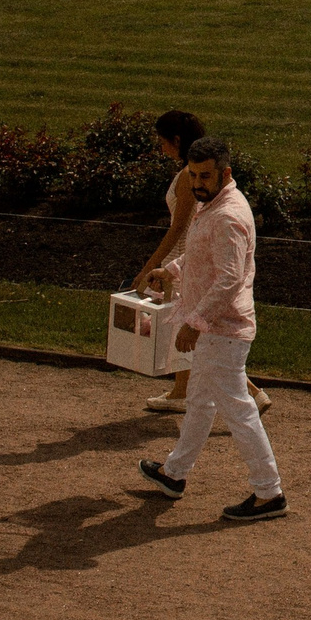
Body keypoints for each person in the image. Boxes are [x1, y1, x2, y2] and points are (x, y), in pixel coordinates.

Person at [135, 136, 287, 522]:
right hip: (218, 326)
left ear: (226, 173)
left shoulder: (228, 216)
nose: (197, 183)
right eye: (192, 175)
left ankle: (269, 492)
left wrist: (195, 323)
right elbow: (201, 252)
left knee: (238, 410)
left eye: (205, 176)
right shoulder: (213, 205)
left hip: (223, 329)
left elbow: (229, 279)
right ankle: (174, 473)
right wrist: (169, 270)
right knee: (200, 403)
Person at [133, 108, 218, 416]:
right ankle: (181, 390)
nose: (161, 147)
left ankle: (251, 392)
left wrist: (147, 269)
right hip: (188, 257)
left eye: (163, 141)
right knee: (187, 326)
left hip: (183, 260)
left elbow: (178, 229)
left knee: (190, 329)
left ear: (177, 140)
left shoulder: (186, 177)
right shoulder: (193, 174)